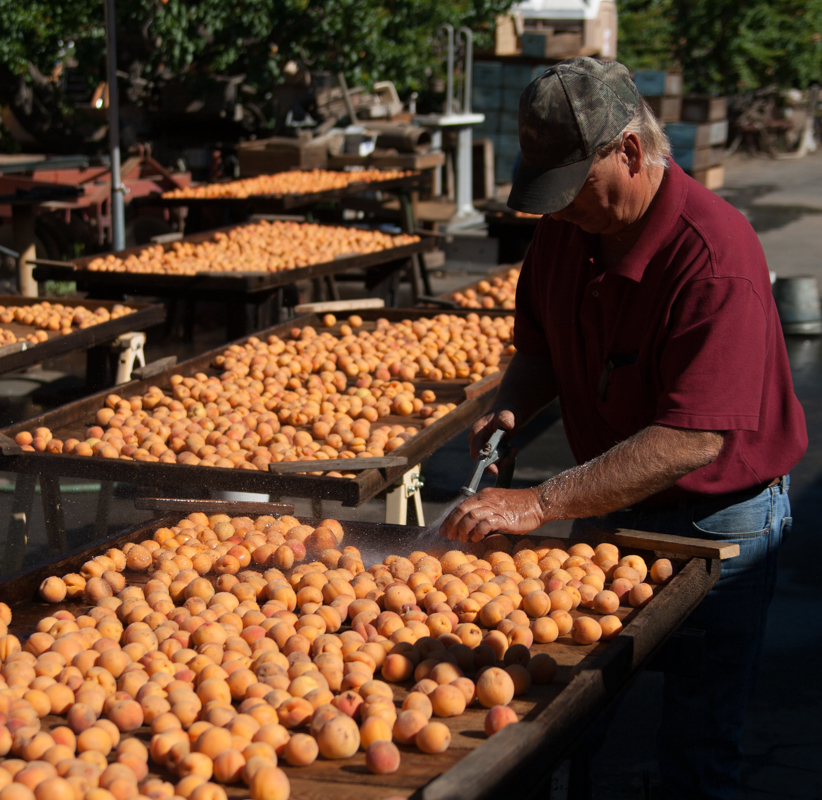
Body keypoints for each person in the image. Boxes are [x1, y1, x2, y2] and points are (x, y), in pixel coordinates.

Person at [440, 57, 807, 800]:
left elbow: (691, 437)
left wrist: (541, 503)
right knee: (563, 714)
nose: (560, 211)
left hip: (719, 520)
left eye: (571, 191)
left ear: (630, 153)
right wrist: (512, 408)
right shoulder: (562, 235)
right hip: (611, 497)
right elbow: (538, 350)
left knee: (698, 745)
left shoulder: (714, 257)